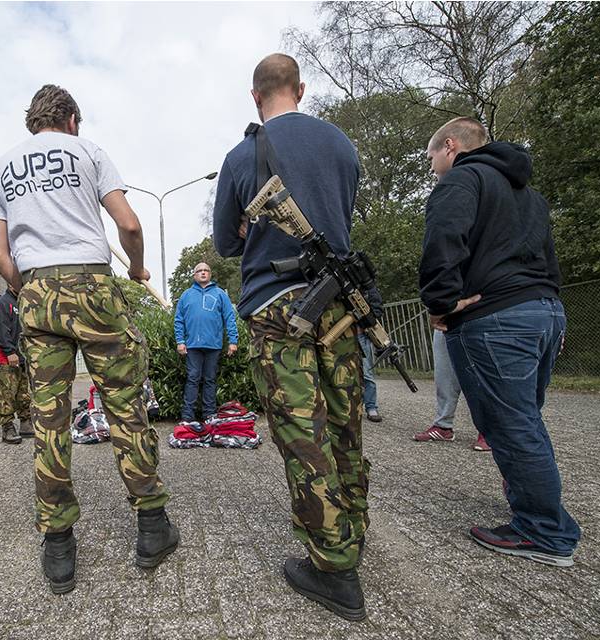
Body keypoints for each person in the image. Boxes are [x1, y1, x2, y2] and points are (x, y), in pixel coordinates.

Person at [0, 84, 177, 594]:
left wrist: (30, 291)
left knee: (49, 419)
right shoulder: (88, 152)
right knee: (124, 405)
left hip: (35, 288)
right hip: (92, 284)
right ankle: (152, 527)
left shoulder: (2, 166)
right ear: (71, 118)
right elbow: (129, 224)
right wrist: (136, 268)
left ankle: (58, 547)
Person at [213, 54, 368, 621]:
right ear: (300, 89)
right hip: (338, 301)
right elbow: (341, 215)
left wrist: (249, 230)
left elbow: (226, 244)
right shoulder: (342, 145)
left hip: (275, 305)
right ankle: (351, 529)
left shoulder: (242, 155)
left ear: (255, 96)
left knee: (302, 430)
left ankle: (333, 567)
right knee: (345, 418)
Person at [419, 116, 580, 567]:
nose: (432, 166)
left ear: (450, 146)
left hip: (495, 317)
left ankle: (544, 530)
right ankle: (531, 502)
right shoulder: (529, 194)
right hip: (544, 311)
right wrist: (548, 306)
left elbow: (443, 240)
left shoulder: (461, 180)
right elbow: (549, 258)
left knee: (510, 425)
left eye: (431, 156)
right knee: (526, 418)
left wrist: (440, 302)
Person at [173, 262, 238, 424]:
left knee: (210, 380)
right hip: (192, 346)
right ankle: (187, 417)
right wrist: (180, 341)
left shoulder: (220, 294)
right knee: (192, 379)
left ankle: (209, 416)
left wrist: (233, 341)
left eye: (206, 270)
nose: (203, 273)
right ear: (194, 275)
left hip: (213, 345)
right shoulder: (186, 295)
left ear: (210, 274)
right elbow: (179, 320)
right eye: (199, 271)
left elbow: (229, 318)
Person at [412, 329, 490, 451]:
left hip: (478, 319)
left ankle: (489, 431)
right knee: (443, 372)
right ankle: (443, 426)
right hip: (445, 320)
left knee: (480, 370)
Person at [0, 285, 33, 444]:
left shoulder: (22, 304)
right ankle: (7, 426)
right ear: (9, 283)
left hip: (22, 357)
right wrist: (9, 351)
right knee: (7, 394)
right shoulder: (1, 303)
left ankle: (25, 423)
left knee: (23, 393)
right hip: (6, 357)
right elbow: (1, 330)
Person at [357, 286, 384, 423]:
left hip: (361, 334)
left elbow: (377, 308)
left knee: (366, 373)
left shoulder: (366, 285)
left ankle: (371, 406)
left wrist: (365, 323)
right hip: (341, 336)